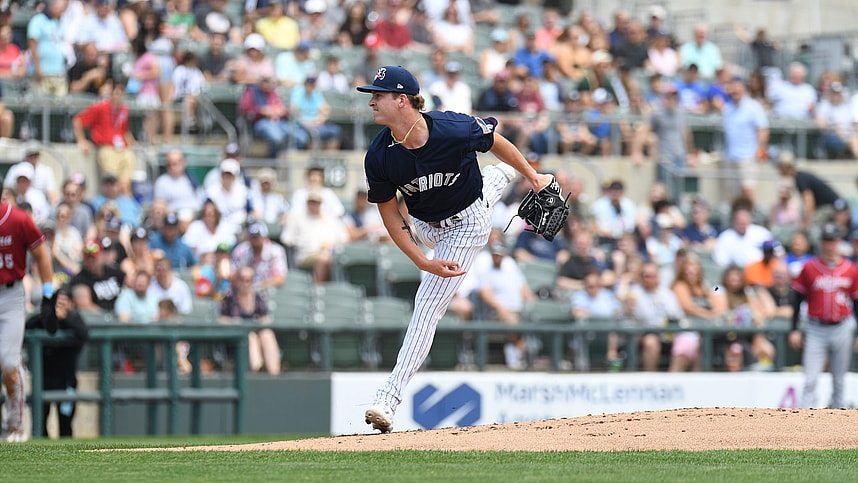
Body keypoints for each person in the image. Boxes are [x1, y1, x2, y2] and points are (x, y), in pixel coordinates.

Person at [355, 65, 554, 432]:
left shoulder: (451, 127)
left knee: (427, 306)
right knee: (484, 190)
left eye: (378, 95)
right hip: (423, 225)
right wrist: (420, 259)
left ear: (402, 100)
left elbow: (495, 141)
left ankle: (389, 397)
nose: (371, 102)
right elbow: (389, 214)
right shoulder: (379, 155)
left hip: (464, 227)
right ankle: (498, 177)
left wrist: (534, 177)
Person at [0, 198, 53, 444]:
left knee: (9, 362)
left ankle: (16, 425)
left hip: (10, 295)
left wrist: (49, 293)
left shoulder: (18, 218)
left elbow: (41, 254)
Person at [790, 223, 858, 408]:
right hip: (816, 328)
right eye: (826, 240)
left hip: (842, 326)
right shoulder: (809, 267)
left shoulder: (851, 269)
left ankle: (835, 426)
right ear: (821, 242)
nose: (829, 245)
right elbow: (797, 299)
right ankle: (804, 422)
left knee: (839, 380)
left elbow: (856, 302)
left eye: (833, 240)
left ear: (838, 241)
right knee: (810, 379)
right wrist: (794, 328)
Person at [24, 285, 88, 438]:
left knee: (65, 423)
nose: (60, 305)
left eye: (64, 301)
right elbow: (27, 327)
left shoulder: (75, 318)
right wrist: (47, 315)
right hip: (44, 378)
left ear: (71, 303)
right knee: (40, 422)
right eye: (57, 302)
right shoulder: (42, 320)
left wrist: (64, 318)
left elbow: (83, 333)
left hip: (66, 380)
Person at [72, 82, 137, 197]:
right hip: (107, 148)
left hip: (123, 149)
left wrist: (132, 143)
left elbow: (124, 130)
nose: (118, 96)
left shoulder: (124, 109)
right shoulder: (100, 107)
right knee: (111, 184)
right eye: (116, 92)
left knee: (125, 185)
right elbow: (78, 120)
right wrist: (81, 140)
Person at [219, 266, 280, 375]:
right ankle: (256, 373)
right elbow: (221, 320)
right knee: (250, 337)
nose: (245, 284)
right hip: (236, 340)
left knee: (267, 334)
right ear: (237, 281)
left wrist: (257, 326)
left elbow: (265, 319)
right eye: (241, 280)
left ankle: (274, 374)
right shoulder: (229, 299)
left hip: (257, 335)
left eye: (248, 280)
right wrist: (235, 322)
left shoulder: (258, 299)